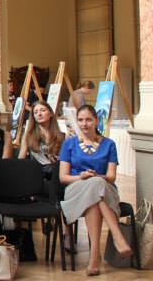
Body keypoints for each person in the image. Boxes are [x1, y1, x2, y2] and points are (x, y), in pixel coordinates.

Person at [59, 105, 132, 275]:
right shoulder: (69, 144)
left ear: (96, 121)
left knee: (95, 190)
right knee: (94, 187)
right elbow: (63, 177)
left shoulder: (109, 144)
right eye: (80, 120)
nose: (84, 124)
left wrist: (96, 177)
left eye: (88, 120)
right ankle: (117, 236)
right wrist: (82, 177)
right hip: (76, 188)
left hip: (105, 189)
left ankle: (94, 257)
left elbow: (111, 177)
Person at [19, 101, 64, 166]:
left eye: (42, 110)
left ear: (51, 114)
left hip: (56, 170)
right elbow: (21, 160)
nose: (39, 114)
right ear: (34, 117)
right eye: (35, 112)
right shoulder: (28, 135)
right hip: (36, 170)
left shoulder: (62, 136)